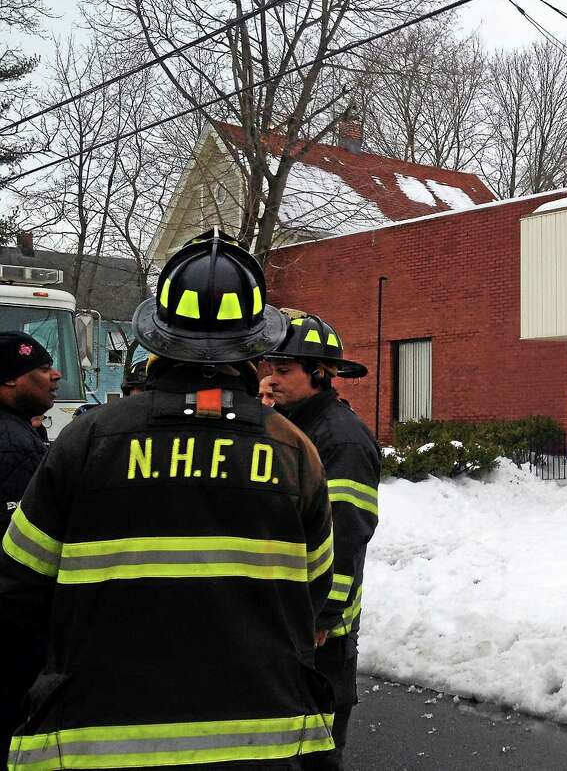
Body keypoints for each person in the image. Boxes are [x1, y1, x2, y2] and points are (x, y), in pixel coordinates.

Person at [0, 230, 338, 769]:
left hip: (98, 744)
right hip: (266, 746)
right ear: (253, 348)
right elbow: (316, 587)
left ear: (157, 339)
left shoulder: (86, 442)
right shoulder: (294, 451)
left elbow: (18, 588)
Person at [265, 312, 379, 770]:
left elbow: (346, 532)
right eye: (269, 368)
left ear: (319, 373)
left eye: (283, 370)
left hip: (321, 631)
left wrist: (324, 614)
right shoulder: (291, 426)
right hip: (289, 619)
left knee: (318, 749)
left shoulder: (341, 440)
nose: (271, 379)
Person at [0, 332, 60, 767]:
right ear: (9, 382)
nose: (54, 375)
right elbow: (20, 555)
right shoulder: (15, 446)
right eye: (41, 368)